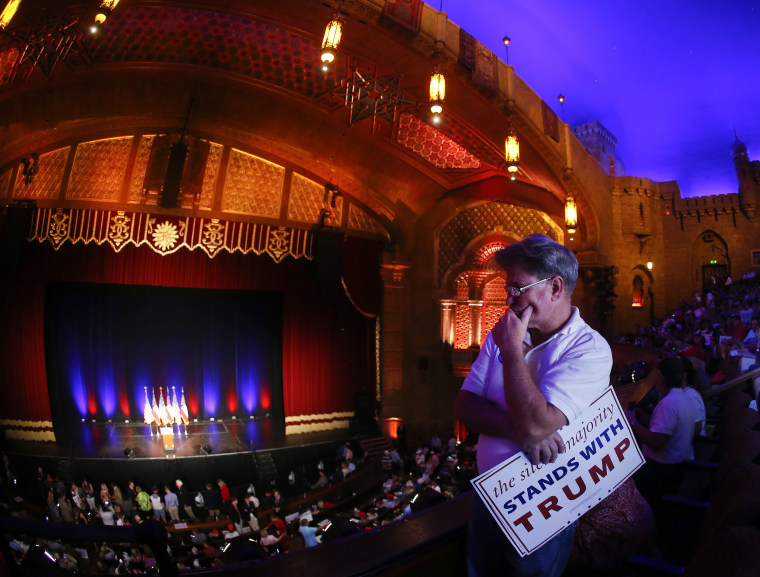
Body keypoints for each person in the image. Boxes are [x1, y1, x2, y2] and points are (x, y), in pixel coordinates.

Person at [453, 233, 612, 577]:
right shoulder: (506, 332)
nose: (508, 298)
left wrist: (512, 352)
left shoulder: (589, 349)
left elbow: (539, 426)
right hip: (490, 493)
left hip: (544, 504)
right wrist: (517, 429)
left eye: (517, 287)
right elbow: (464, 406)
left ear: (555, 287)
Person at [626, 356, 696, 507]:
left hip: (661, 470)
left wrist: (632, 421)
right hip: (674, 465)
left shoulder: (669, 403)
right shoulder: (682, 397)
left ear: (662, 377)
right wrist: (643, 417)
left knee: (619, 477)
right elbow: (665, 428)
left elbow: (657, 442)